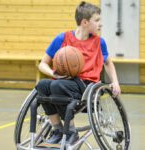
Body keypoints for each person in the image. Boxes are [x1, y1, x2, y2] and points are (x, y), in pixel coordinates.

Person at [36, 1, 121, 145]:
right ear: (85, 22)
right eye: (97, 20)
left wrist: (115, 82)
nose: (101, 24)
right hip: (64, 81)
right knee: (42, 85)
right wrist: (53, 73)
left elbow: (108, 63)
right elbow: (42, 64)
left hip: (86, 86)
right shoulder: (62, 39)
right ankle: (57, 129)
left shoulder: (99, 42)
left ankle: (70, 131)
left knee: (57, 86)